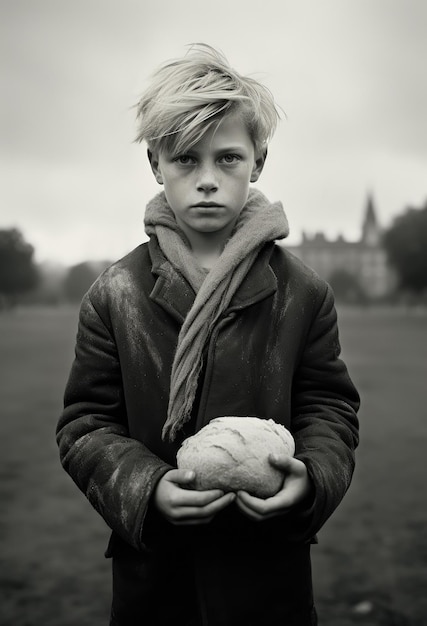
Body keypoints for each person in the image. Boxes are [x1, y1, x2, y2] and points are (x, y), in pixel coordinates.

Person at [56, 44, 360, 626]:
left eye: (228, 159)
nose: (207, 181)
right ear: (154, 163)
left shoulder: (304, 292)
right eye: (185, 161)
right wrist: (145, 489)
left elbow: (330, 408)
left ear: (259, 161)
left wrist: (313, 478)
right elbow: (85, 424)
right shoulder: (114, 292)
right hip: (156, 583)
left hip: (269, 580)